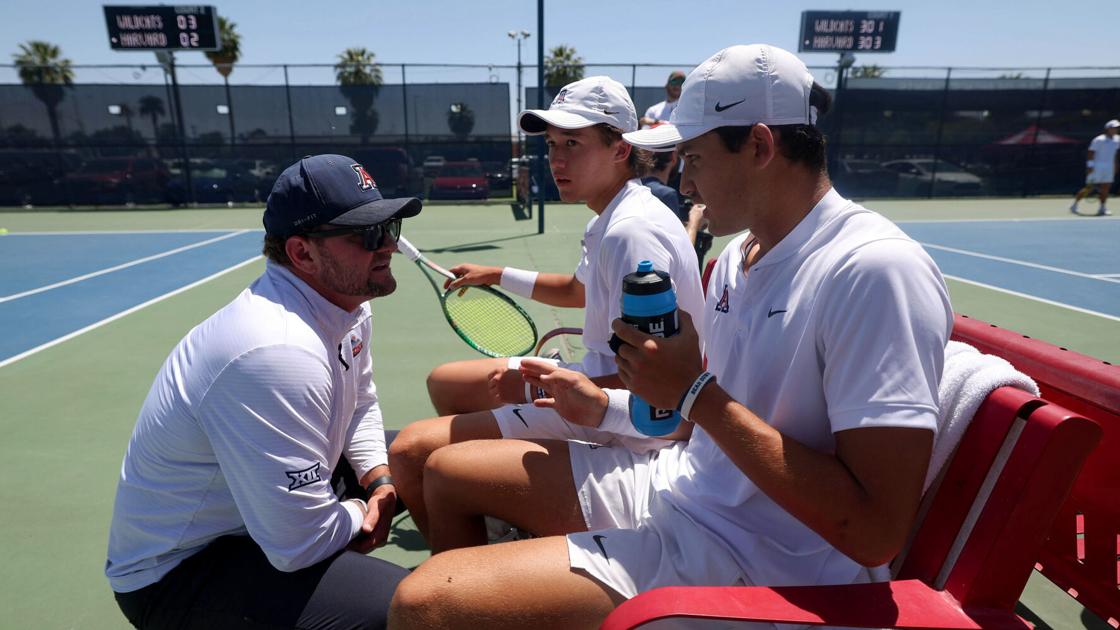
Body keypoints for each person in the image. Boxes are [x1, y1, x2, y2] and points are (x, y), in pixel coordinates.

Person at [388, 44, 952, 629]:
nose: (684, 181)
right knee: (448, 473)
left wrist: (695, 392)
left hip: (755, 556)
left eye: (696, 157)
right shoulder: (740, 255)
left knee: (424, 603)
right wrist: (602, 405)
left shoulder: (875, 270)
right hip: (682, 488)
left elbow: (874, 533)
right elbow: (693, 421)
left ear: (759, 146)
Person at [105, 154, 421, 629]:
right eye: (368, 234)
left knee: (424, 458)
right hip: (183, 573)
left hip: (259, 521)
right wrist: (362, 512)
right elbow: (299, 545)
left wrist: (381, 481)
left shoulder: (345, 304)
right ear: (302, 254)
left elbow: (361, 403)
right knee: (418, 608)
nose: (388, 247)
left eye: (390, 227)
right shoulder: (275, 350)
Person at [391, 75, 706, 538]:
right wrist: (496, 274)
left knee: (410, 452)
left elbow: (661, 383)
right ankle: (495, 507)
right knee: (448, 382)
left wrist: (538, 389)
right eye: (554, 144)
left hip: (631, 420)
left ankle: (478, 557)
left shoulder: (630, 231)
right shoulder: (613, 214)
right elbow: (577, 290)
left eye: (573, 144)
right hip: (601, 375)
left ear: (620, 150)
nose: (556, 159)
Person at [637, 148, 710, 268]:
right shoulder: (666, 195)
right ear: (673, 157)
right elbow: (680, 256)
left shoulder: (633, 188)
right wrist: (694, 222)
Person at [1071, 118, 1120, 216]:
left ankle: (1102, 208)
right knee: (1089, 188)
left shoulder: (1118, 139)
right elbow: (1090, 153)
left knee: (1106, 188)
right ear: (1107, 128)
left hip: (1109, 168)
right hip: (1096, 167)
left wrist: (1115, 166)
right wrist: (1090, 166)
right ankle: (1075, 204)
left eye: (1117, 128)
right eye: (1113, 128)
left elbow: (1115, 154)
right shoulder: (1099, 139)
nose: (1115, 129)